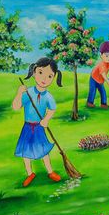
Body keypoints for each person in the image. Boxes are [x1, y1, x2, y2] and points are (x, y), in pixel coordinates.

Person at [13, 57, 64, 187]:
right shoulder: (28, 92)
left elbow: (52, 109)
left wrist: (46, 119)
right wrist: (19, 94)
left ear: (54, 78)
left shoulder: (48, 96)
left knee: (43, 151)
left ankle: (50, 172)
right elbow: (16, 106)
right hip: (27, 127)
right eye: (40, 73)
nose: (44, 79)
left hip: (39, 127)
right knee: (25, 152)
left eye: (49, 76)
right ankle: (30, 173)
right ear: (34, 72)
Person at [87, 41, 109, 109]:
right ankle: (90, 102)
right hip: (94, 79)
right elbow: (103, 74)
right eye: (107, 56)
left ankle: (103, 104)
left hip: (100, 81)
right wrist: (108, 81)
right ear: (101, 55)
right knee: (93, 91)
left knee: (103, 92)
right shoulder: (102, 64)